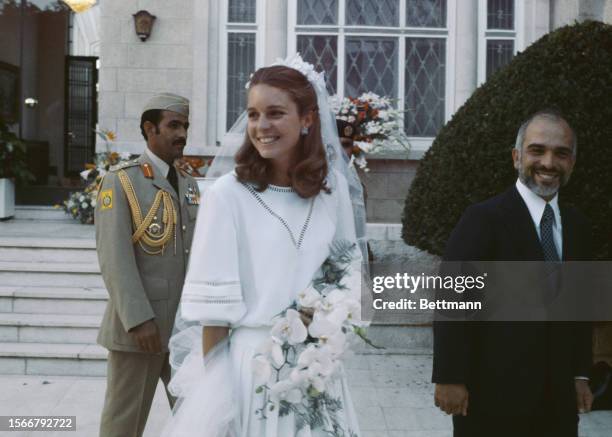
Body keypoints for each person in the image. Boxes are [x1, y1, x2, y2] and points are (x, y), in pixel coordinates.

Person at [162, 59, 363, 436]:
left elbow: (347, 273)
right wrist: (218, 402)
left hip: (318, 370)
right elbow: (214, 316)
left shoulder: (331, 191)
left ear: (307, 119)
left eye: (275, 113)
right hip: (251, 371)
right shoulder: (227, 196)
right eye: (254, 114)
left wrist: (328, 327)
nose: (261, 126)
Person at [432, 109, 593, 436]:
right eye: (537, 150)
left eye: (561, 153)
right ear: (517, 157)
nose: (548, 162)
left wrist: (580, 375)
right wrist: (450, 376)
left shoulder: (577, 226)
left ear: (572, 163)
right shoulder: (483, 219)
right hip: (491, 398)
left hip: (557, 404)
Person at [95, 93, 200, 437]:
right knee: (123, 424)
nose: (181, 133)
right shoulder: (121, 181)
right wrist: (139, 319)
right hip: (140, 330)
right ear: (149, 128)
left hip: (183, 331)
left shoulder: (188, 184)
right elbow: (114, 258)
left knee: (198, 421)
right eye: (173, 125)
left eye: (184, 125)